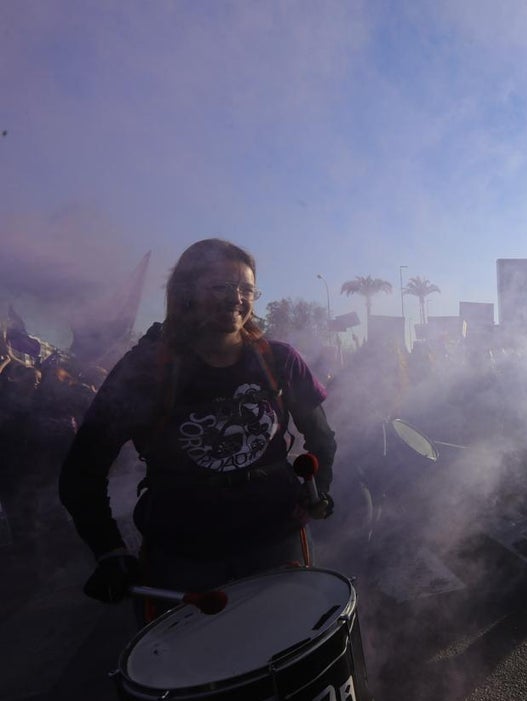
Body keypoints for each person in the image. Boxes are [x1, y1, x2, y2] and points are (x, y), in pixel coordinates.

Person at [60, 239, 336, 620]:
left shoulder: (281, 359)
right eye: (220, 286)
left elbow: (322, 438)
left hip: (276, 542)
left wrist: (318, 488)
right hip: (183, 560)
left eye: (246, 289)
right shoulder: (145, 370)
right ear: (186, 291)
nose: (236, 298)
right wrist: (109, 551)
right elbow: (81, 472)